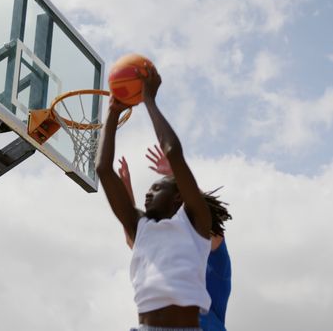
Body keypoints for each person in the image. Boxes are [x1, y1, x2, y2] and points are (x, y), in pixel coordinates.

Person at [96, 63, 231, 330]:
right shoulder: (143, 228)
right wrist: (112, 114)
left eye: (157, 188)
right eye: (148, 189)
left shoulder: (195, 225)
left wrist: (148, 100)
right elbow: (103, 168)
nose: (149, 193)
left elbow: (173, 151)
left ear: (179, 198)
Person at [117, 146, 232, 331]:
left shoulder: (208, 250)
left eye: (156, 189)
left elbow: (205, 217)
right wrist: (125, 195)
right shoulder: (166, 249)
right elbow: (135, 240)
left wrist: (176, 175)